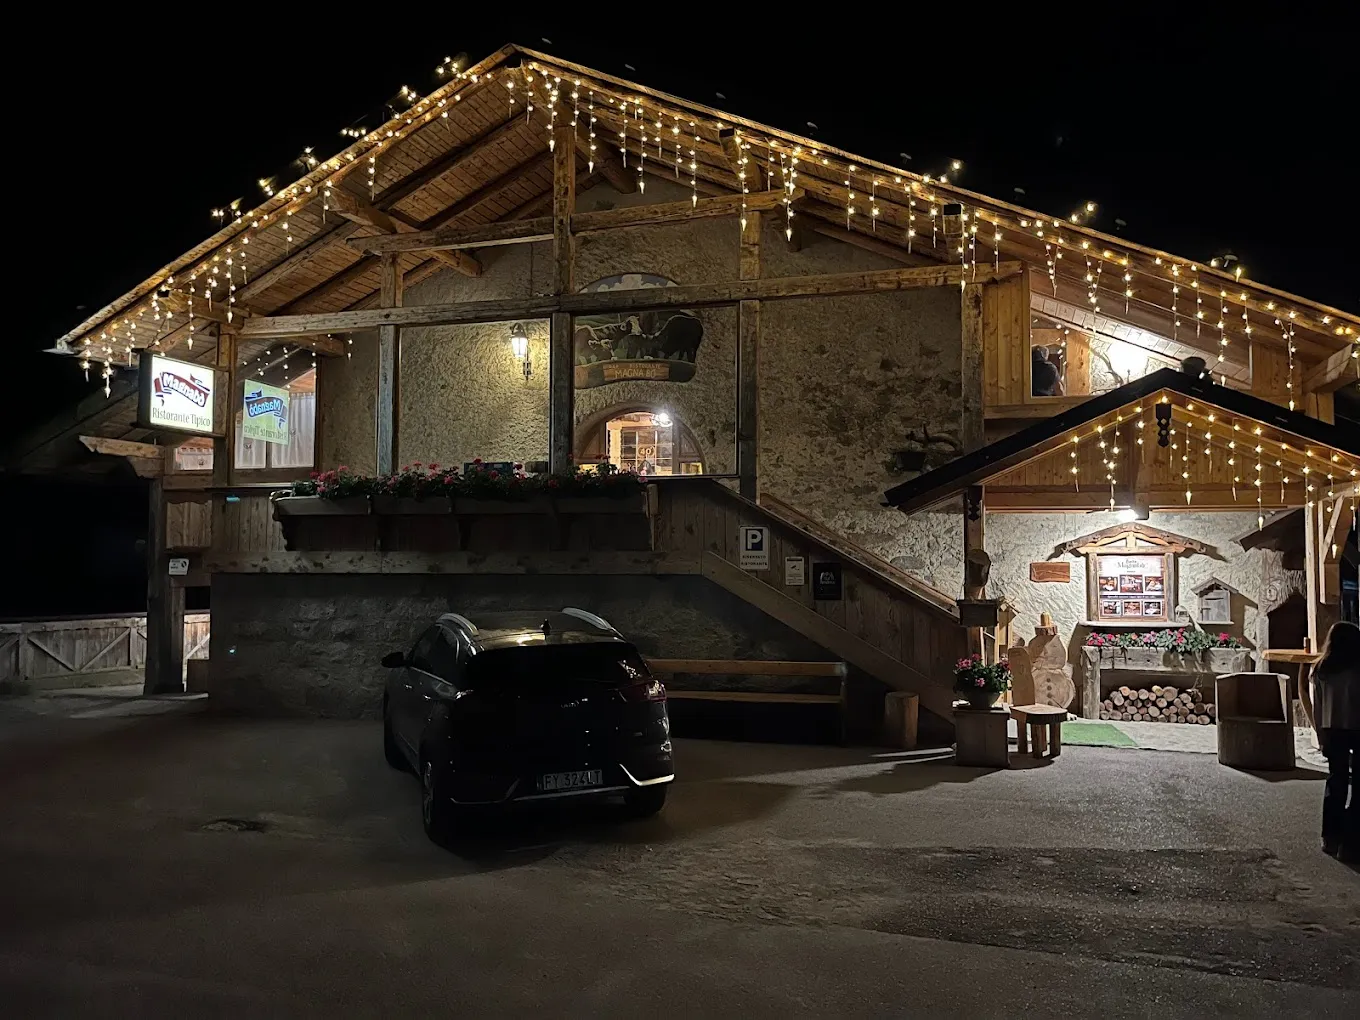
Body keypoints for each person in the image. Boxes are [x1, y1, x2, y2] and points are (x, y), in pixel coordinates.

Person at [1300, 621, 1360, 861]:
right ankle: (1351, 842)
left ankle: (1330, 836)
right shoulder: (1357, 669)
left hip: (1332, 729)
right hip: (1357, 728)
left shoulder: (1321, 669)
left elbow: (1318, 706)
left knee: (1336, 782)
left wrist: (1320, 735)